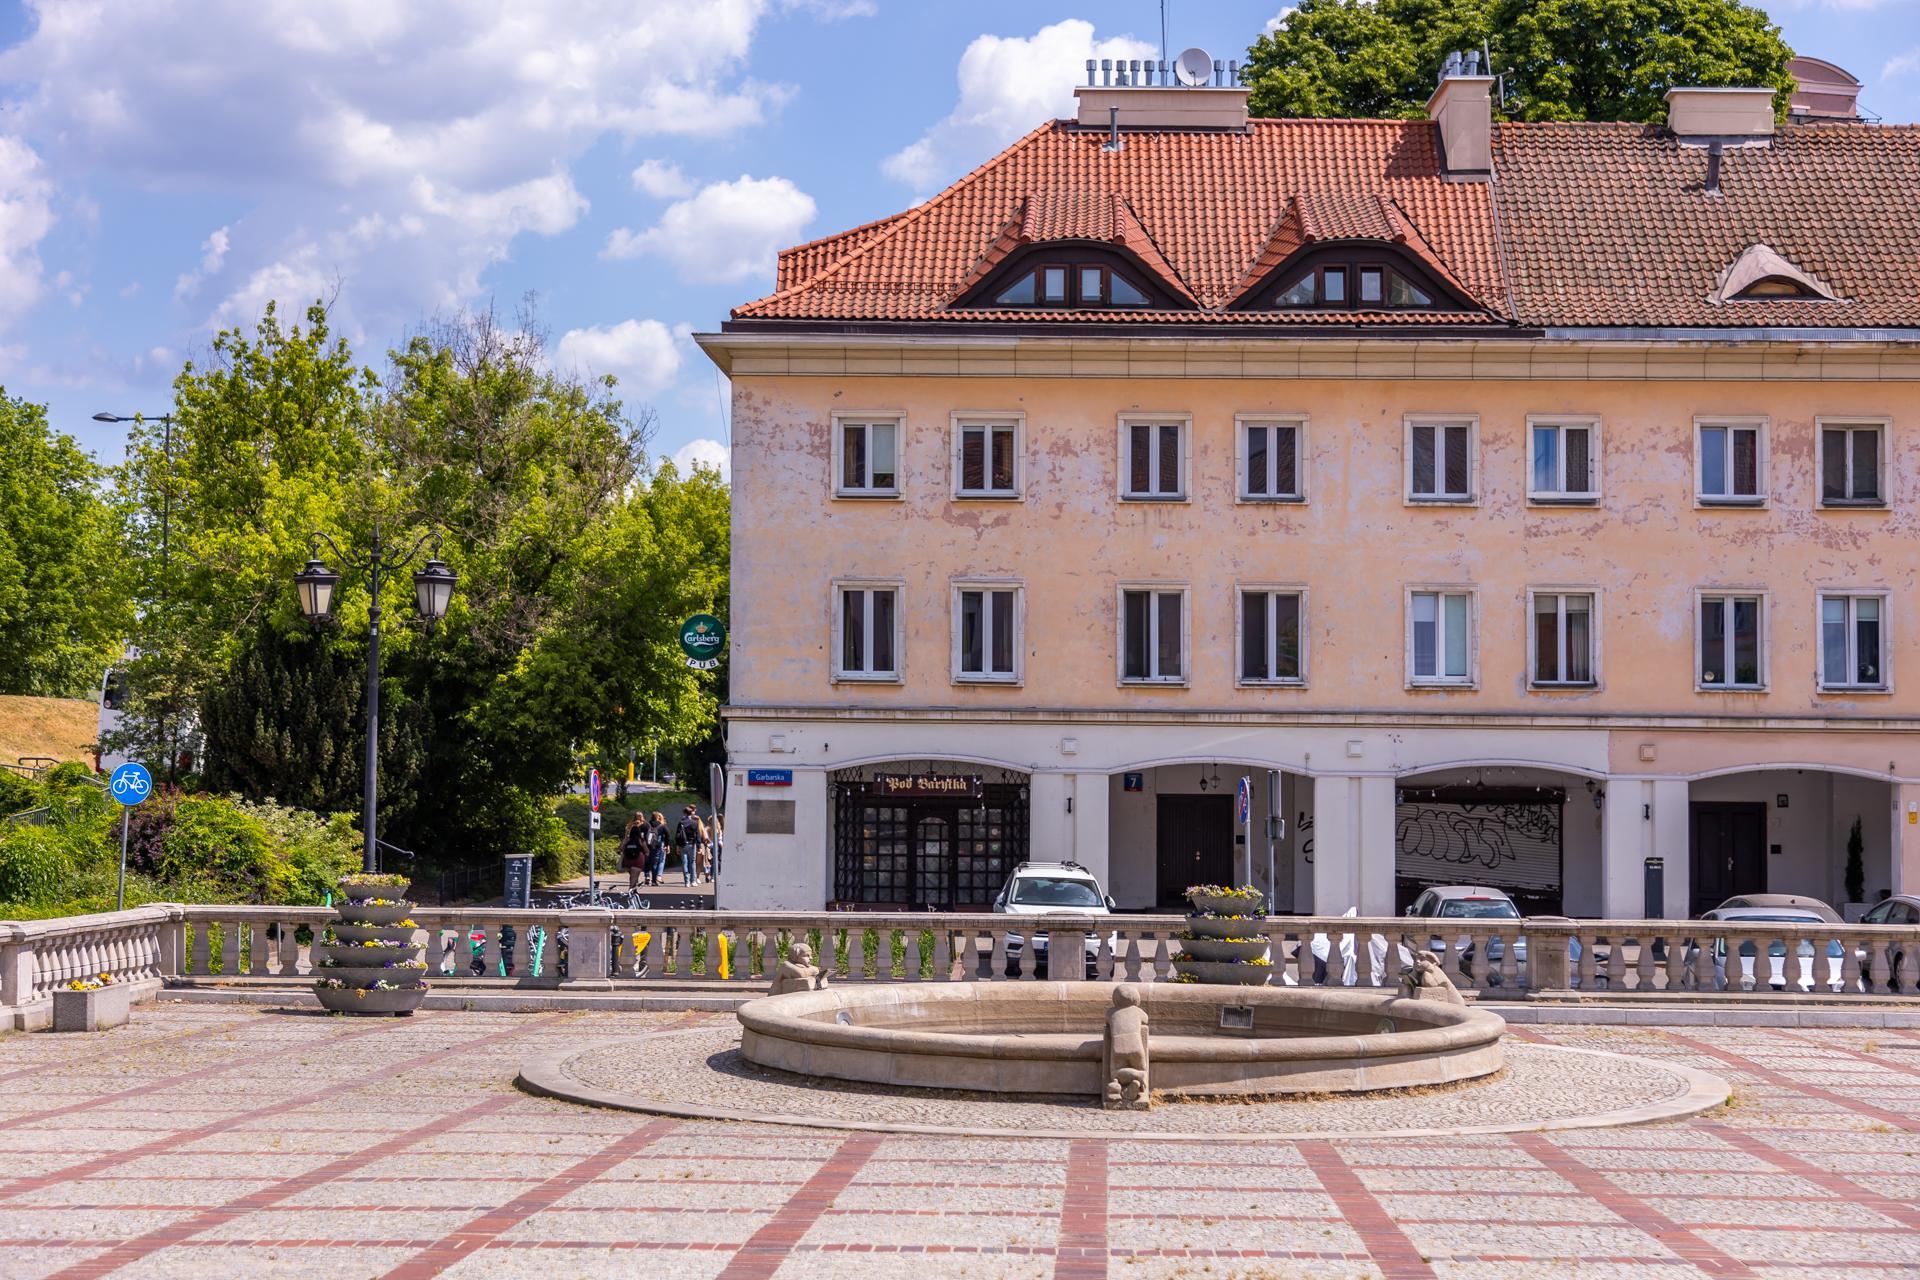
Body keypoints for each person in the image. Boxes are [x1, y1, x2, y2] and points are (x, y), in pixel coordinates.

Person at [677, 804, 706, 886]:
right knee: (692, 862)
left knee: (684, 862)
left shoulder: (681, 822)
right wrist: (699, 846)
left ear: (684, 813)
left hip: (682, 844)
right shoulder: (694, 823)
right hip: (692, 844)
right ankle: (693, 880)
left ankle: (686, 882)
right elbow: (697, 835)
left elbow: (677, 835)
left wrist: (678, 846)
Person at [619, 814, 649, 892]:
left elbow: (621, 848)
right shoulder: (641, 840)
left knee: (632, 876)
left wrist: (625, 839)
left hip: (627, 860)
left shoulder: (628, 839)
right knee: (634, 877)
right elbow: (646, 851)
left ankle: (633, 889)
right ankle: (631, 890)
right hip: (638, 860)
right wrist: (646, 854)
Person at [647, 810, 669, 887]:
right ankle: (654, 880)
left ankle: (647, 876)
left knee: (648, 861)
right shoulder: (661, 825)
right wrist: (666, 845)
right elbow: (667, 834)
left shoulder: (647, 824)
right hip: (657, 845)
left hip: (648, 845)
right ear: (657, 817)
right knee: (655, 862)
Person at [709, 809, 724, 882]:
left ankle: (713, 876)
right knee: (718, 860)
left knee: (714, 861)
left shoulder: (710, 829)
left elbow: (710, 838)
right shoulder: (719, 828)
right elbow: (719, 837)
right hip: (719, 845)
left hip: (712, 845)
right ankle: (718, 874)